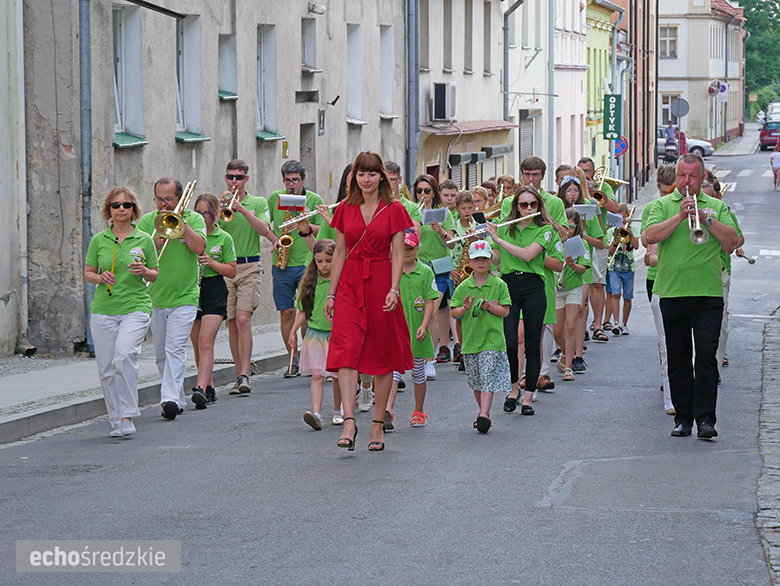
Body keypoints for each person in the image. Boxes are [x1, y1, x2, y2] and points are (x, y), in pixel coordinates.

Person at [324, 151, 414, 452]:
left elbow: (398, 253)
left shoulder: (394, 209)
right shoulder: (346, 209)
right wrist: (332, 293)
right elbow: (338, 252)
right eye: (361, 174)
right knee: (346, 349)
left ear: (381, 177)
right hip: (350, 282)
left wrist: (394, 288)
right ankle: (349, 420)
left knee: (381, 352)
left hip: (380, 282)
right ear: (354, 178)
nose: (366, 179)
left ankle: (377, 423)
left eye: (372, 173)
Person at [645, 153, 739, 439]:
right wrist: (680, 215)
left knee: (706, 359)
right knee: (679, 358)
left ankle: (706, 420)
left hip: (708, 294)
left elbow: (732, 241)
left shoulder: (717, 206)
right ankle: (683, 418)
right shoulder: (662, 205)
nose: (686, 181)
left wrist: (707, 221)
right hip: (673, 292)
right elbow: (650, 236)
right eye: (682, 176)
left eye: (692, 177)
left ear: (702, 178)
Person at [85, 187, 159, 437]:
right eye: (115, 205)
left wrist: (145, 272)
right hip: (104, 309)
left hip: (135, 307)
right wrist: (99, 277)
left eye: (126, 205)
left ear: (133, 210)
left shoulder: (144, 239)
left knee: (125, 355)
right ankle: (115, 418)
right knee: (106, 367)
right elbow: (88, 273)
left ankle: (127, 414)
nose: (121, 209)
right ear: (109, 209)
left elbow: (155, 273)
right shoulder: (99, 240)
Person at [138, 178, 206, 420]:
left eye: (168, 199)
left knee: (175, 348)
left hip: (185, 296)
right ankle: (177, 398)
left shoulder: (195, 218)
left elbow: (199, 248)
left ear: (179, 199)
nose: (163, 204)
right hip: (155, 297)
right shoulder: (148, 222)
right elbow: (137, 258)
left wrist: (181, 225)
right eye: (159, 199)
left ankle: (166, 398)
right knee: (160, 355)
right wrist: (153, 245)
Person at [488, 186, 551, 416]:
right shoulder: (506, 228)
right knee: (511, 344)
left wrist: (498, 240)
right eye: (523, 205)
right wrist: (484, 245)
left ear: (539, 206)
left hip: (534, 287)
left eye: (533, 204)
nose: (528, 209)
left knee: (533, 345)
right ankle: (513, 389)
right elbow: (496, 257)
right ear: (516, 206)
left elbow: (527, 254)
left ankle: (527, 398)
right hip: (508, 287)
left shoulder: (544, 229)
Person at [219, 160, 280, 395]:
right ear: (226, 178)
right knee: (232, 323)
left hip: (249, 265)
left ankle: (245, 375)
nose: (234, 181)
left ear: (247, 179)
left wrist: (242, 209)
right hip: (226, 267)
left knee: (244, 319)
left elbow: (264, 229)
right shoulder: (220, 202)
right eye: (230, 177)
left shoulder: (257, 203)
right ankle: (238, 374)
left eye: (239, 177)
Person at [268, 161, 324, 378]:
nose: (291, 185)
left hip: (306, 261)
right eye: (288, 180)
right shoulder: (275, 198)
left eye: (295, 180)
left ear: (303, 180)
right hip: (281, 262)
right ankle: (293, 360)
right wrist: (274, 239)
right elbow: (267, 224)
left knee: (306, 312)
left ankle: (310, 359)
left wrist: (305, 225)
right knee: (286, 312)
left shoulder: (314, 199)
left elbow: (324, 227)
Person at [451, 240, 511, 433]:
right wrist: (464, 308)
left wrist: (490, 306)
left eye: (485, 259)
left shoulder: (499, 284)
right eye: (477, 259)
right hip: (471, 341)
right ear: (470, 260)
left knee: (487, 378)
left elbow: (506, 311)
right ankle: (482, 412)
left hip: (492, 341)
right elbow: (454, 313)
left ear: (491, 260)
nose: (481, 263)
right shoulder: (463, 286)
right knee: (476, 381)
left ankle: (484, 415)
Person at [289, 239, 343, 430]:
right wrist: (293, 330)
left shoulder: (340, 279)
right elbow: (303, 310)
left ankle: (338, 410)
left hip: (336, 334)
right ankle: (317, 413)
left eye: (328, 261)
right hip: (315, 334)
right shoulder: (309, 280)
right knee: (317, 375)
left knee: (337, 376)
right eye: (319, 261)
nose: (324, 265)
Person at [189, 193, 237, 408]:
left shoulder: (223, 238)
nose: (202, 216)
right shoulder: (188, 235)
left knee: (205, 340)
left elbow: (232, 271)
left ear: (214, 214)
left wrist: (211, 263)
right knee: (196, 343)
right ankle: (208, 386)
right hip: (192, 288)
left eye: (206, 213)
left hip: (215, 288)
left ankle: (199, 387)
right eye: (198, 212)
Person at [387, 229, 438, 428]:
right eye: (402, 248)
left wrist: (424, 325)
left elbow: (429, 302)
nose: (406, 251)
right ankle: (387, 409)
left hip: (416, 331)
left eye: (410, 248)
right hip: (395, 331)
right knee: (392, 372)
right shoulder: (390, 268)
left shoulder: (425, 271)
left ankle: (419, 410)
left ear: (418, 249)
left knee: (418, 373)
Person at [557, 175, 604, 373]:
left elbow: (602, 243)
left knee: (579, 312)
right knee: (563, 317)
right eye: (569, 191)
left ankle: (577, 355)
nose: (573, 194)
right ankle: (564, 351)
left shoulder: (587, 213)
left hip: (582, 270)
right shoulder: (558, 213)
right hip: (562, 272)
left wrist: (583, 235)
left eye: (576, 190)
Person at [413, 174, 457, 373]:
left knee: (430, 314)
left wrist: (441, 231)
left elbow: (452, 243)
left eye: (427, 191)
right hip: (417, 267)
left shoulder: (444, 213)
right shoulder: (412, 211)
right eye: (419, 191)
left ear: (434, 192)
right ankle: (419, 357)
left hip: (438, 269)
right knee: (418, 313)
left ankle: (429, 361)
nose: (423, 194)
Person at [642, 164, 676, 415]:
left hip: (681, 278)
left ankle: (676, 377)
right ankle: (668, 378)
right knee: (664, 337)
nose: (666, 198)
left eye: (671, 192)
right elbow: (646, 245)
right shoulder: (653, 209)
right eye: (663, 193)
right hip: (656, 278)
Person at [577, 157, 619, 344]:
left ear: (593, 172)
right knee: (579, 284)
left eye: (587, 171)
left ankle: (598, 325)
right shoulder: (573, 186)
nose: (585, 174)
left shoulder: (604, 187)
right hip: (577, 239)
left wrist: (596, 192)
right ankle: (581, 326)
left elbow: (615, 208)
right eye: (581, 171)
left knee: (597, 283)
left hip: (598, 239)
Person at [553, 209, 589, 382]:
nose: (568, 229)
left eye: (571, 226)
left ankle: (568, 367)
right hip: (557, 289)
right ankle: (566, 352)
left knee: (570, 326)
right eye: (565, 226)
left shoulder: (580, 243)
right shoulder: (554, 242)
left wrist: (573, 265)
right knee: (557, 331)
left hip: (574, 288)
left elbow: (584, 268)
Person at [605, 203, 639, 336]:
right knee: (616, 294)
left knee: (627, 297)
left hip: (629, 268)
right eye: (619, 217)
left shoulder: (634, 229)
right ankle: (616, 323)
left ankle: (624, 324)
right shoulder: (610, 231)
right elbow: (609, 251)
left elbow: (636, 246)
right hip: (614, 267)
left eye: (624, 217)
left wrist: (629, 232)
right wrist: (616, 240)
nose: (622, 220)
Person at [385, 161, 423, 235]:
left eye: (392, 180)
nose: (388, 185)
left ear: (399, 179)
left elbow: (416, 235)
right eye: (386, 181)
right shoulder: (376, 204)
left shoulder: (412, 207)